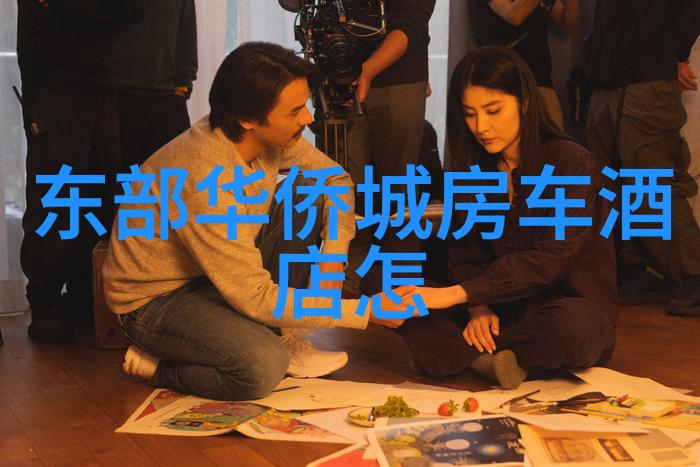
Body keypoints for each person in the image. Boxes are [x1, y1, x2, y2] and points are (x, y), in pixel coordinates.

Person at [102, 42, 412, 401]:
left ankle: (281, 335)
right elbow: (255, 296)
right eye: (295, 111)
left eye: (305, 104)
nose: (308, 118)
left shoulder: (270, 136)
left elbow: (336, 179)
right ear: (248, 118)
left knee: (306, 193)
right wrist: (365, 310)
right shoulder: (204, 178)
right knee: (262, 366)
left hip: (217, 272)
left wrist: (333, 257)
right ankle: (158, 366)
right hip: (156, 300)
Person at [392, 47, 618, 390]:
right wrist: (477, 306)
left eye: (493, 110)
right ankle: (499, 358)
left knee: (576, 327)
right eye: (470, 114)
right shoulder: (472, 170)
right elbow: (465, 254)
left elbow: (549, 261)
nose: (481, 127)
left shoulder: (572, 163)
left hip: (560, 311)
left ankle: (464, 355)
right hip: (497, 310)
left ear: (524, 102)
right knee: (391, 284)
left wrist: (459, 295)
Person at [16, 0, 146, 343]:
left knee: (101, 197)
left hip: (104, 82)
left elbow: (134, 10)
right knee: (56, 198)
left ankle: (84, 299)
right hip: (51, 84)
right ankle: (45, 301)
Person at [585, 0, 700, 316]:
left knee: (650, 180)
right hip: (606, 76)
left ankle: (694, 274)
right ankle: (638, 267)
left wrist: (674, 57)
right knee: (609, 183)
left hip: (648, 76)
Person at [343, 0, 436, 298]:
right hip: (339, 76)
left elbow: (412, 20)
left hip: (400, 77)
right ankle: (347, 296)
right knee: (345, 192)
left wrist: (366, 71)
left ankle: (404, 294)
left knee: (400, 194)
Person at [468, 0, 580, 130]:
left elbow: (568, 24)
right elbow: (514, 15)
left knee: (554, 139)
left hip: (540, 83)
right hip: (503, 85)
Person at [114, 0, 198, 169]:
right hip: (119, 93)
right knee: (121, 176)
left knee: (178, 172)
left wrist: (183, 85)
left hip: (168, 97)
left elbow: (187, 34)